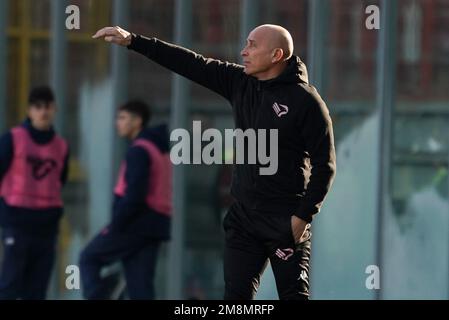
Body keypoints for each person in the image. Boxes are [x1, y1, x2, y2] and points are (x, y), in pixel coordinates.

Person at [93, 23, 336, 300]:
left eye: (252, 45)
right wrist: (134, 41)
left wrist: (302, 216)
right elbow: (191, 63)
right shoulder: (239, 82)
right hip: (243, 219)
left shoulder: (307, 102)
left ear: (276, 55)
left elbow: (325, 165)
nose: (244, 51)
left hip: (284, 221)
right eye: (245, 43)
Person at [79, 100, 172, 300]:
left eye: (122, 118)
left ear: (137, 121)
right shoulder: (158, 148)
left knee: (88, 258)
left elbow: (135, 194)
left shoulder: (139, 150)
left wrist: (116, 225)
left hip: (135, 224)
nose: (117, 123)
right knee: (141, 288)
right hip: (154, 226)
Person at [0, 86, 70, 299]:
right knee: (10, 286)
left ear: (55, 109)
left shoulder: (61, 146)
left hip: (46, 227)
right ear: (29, 111)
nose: (43, 112)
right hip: (17, 223)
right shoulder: (12, 139)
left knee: (37, 291)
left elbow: (61, 180)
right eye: (37, 107)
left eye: (47, 106)